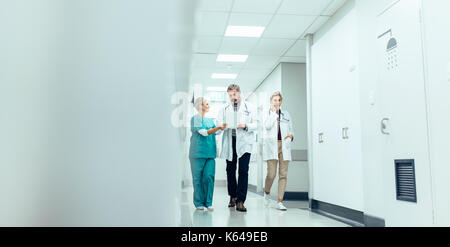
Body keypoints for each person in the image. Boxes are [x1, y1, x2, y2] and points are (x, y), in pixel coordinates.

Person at [216, 84, 257, 212]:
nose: (232, 97)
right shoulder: (224, 108)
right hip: (230, 142)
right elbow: (218, 124)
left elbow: (257, 124)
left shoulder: (249, 107)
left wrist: (245, 125)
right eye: (230, 95)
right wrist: (222, 125)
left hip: (244, 142)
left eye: (234, 94)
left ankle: (240, 201)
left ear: (239, 93)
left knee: (243, 171)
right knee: (230, 170)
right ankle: (232, 196)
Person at [189, 97, 227, 211]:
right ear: (200, 106)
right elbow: (204, 133)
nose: (208, 105)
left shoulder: (210, 120)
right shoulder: (195, 119)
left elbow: (216, 132)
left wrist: (222, 127)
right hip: (197, 153)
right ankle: (199, 203)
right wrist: (217, 128)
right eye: (206, 103)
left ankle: (208, 202)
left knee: (209, 177)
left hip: (210, 154)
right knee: (198, 179)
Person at [262, 92, 294, 211]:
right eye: (275, 100)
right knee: (271, 174)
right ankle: (267, 192)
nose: (277, 102)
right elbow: (267, 126)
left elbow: (291, 129)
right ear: (271, 102)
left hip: (284, 145)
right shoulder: (267, 113)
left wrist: (291, 136)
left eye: (279, 100)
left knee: (283, 175)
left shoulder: (286, 114)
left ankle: (280, 201)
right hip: (272, 145)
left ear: (281, 101)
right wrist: (274, 113)